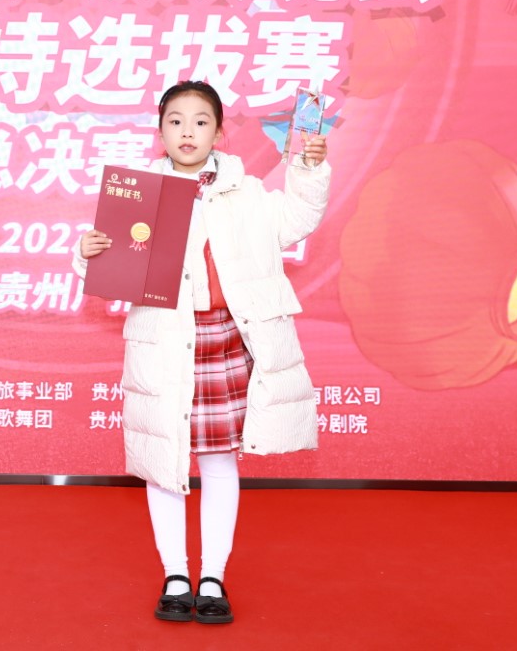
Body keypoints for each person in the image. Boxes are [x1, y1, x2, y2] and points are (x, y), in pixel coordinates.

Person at [73, 80, 329, 624]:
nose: (187, 131)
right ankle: (175, 574)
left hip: (226, 340)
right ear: (160, 130)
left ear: (218, 131)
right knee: (162, 463)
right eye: (175, 121)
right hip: (165, 342)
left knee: (217, 462)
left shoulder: (247, 191)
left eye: (200, 121)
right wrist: (87, 253)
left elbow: (297, 221)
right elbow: (114, 265)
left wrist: (308, 170)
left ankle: (212, 576)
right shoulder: (138, 195)